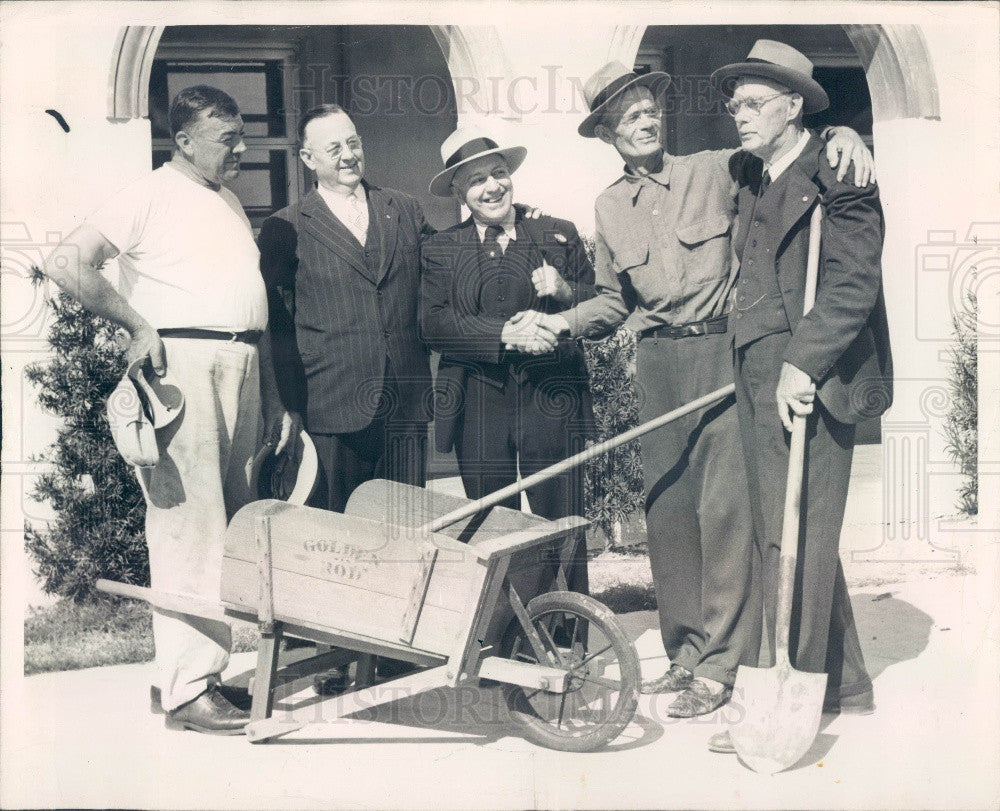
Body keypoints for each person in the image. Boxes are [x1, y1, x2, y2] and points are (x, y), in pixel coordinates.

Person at [529, 61, 874, 719]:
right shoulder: (607, 206)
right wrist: (563, 323)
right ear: (607, 132)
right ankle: (684, 653)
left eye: (650, 110)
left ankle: (720, 666)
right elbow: (610, 301)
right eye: (628, 117)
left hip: (721, 355)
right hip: (656, 363)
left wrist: (842, 135)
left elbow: (792, 153)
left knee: (725, 514)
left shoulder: (718, 169)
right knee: (669, 515)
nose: (644, 122)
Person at [42, 85, 294, 735]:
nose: (241, 148)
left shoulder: (229, 200)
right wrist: (135, 324)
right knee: (190, 527)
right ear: (183, 141)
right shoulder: (148, 193)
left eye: (243, 135)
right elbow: (68, 262)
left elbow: (248, 306)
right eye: (227, 139)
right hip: (179, 367)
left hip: (238, 363)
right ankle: (190, 692)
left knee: (225, 526)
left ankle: (181, 677)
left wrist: (269, 394)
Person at [707, 40, 892, 753]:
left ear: (792, 107)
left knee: (798, 534)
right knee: (777, 528)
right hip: (757, 374)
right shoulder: (753, 174)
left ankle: (791, 688)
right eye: (734, 106)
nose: (738, 117)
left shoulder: (839, 171)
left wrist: (802, 364)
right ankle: (847, 682)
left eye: (752, 104)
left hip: (810, 379)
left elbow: (851, 284)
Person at [420, 127, 596, 595]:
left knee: (562, 515)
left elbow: (602, 307)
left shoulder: (557, 234)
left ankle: (568, 628)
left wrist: (565, 292)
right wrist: (502, 334)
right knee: (490, 522)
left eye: (498, 173)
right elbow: (434, 324)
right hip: (478, 402)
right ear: (459, 191)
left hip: (552, 396)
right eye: (476, 181)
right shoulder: (441, 248)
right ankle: (500, 628)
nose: (491, 187)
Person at [258, 104, 433, 517]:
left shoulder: (404, 209)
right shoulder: (286, 227)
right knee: (338, 532)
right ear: (307, 159)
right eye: (334, 148)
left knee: (406, 526)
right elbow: (277, 325)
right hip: (331, 407)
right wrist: (289, 404)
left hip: (405, 401)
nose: (349, 155)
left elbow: (448, 270)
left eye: (353, 143)